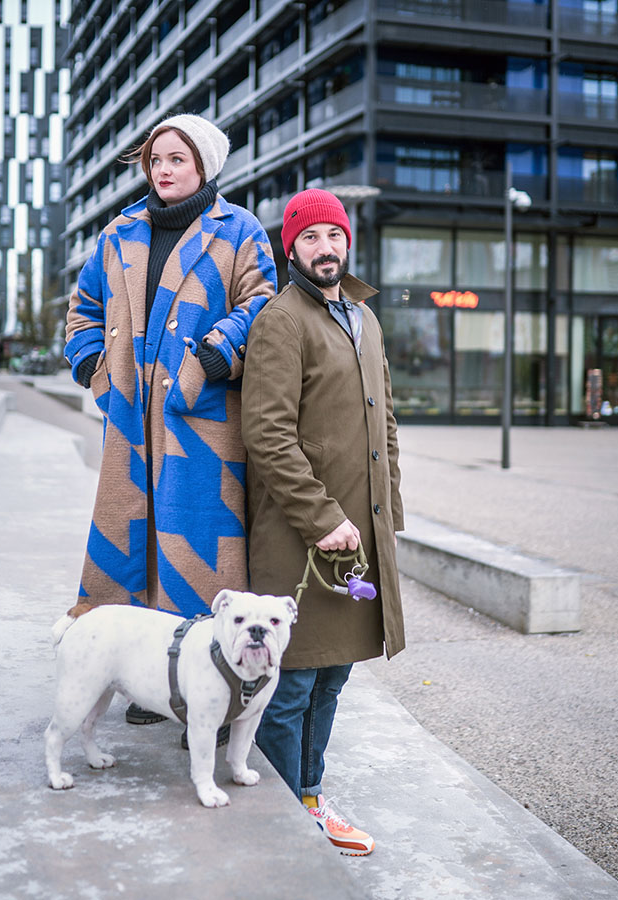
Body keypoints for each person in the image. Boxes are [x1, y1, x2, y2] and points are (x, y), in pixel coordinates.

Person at [64, 114, 277, 735]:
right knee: (131, 542)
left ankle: (200, 689)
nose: (162, 170)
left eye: (176, 159)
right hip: (130, 418)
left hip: (201, 421)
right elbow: (82, 309)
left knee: (194, 547)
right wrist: (91, 367)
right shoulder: (120, 233)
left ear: (205, 165)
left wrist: (219, 349)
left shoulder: (239, 230)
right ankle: (134, 674)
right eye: (155, 160)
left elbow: (261, 301)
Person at [241, 188, 405, 857]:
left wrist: (386, 511)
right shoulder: (283, 320)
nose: (326, 248)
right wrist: (322, 519)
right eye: (310, 238)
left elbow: (385, 422)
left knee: (334, 674)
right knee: (294, 680)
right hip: (300, 538)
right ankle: (284, 817)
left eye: (334, 235)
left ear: (348, 242)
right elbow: (268, 435)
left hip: (358, 538)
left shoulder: (364, 317)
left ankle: (306, 796)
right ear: (292, 247)